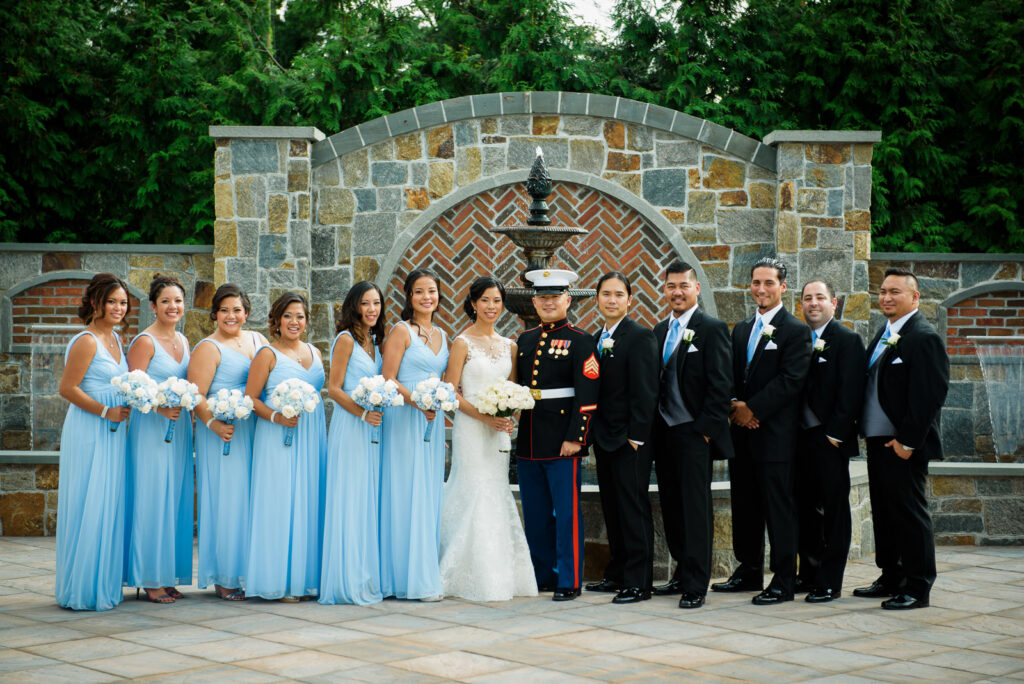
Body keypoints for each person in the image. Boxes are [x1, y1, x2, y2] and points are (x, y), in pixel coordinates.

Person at [716, 256, 811, 605]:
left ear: (783, 287)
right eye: (756, 282)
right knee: (745, 505)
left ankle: (783, 580)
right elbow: (729, 374)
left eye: (769, 283)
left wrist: (751, 409)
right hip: (742, 434)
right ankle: (748, 570)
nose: (761, 289)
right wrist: (733, 406)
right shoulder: (740, 329)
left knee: (778, 509)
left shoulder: (796, 330)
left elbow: (791, 381)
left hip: (775, 436)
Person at [439, 276, 538, 602]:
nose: (491, 307)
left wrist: (508, 418)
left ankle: (500, 575)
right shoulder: (461, 343)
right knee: (472, 489)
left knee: (495, 491)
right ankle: (461, 572)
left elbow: (511, 392)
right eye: (485, 301)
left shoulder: (510, 346)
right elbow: (450, 393)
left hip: (498, 434)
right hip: (470, 428)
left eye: (497, 301)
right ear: (473, 303)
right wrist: (484, 417)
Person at [854, 267, 948, 610]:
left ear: (915, 297)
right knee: (885, 513)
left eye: (895, 291)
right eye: (882, 291)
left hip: (903, 445)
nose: (887, 297)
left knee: (909, 514)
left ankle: (918, 586)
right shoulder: (885, 331)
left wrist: (907, 442)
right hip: (879, 442)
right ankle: (891, 576)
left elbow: (929, 394)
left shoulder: (924, 337)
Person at [649, 262, 734, 609]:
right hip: (664, 434)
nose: (677, 292)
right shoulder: (658, 331)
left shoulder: (711, 329)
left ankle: (697, 583)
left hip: (694, 434)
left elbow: (721, 385)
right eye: (671, 286)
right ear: (665, 290)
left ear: (696, 289)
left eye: (684, 285)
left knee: (695, 509)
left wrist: (705, 432)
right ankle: (682, 572)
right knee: (672, 506)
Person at [515, 268, 600, 601]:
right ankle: (542, 575)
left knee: (566, 515)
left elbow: (588, 393)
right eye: (542, 297)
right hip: (530, 440)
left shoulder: (581, 340)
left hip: (563, 440)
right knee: (536, 516)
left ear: (568, 299)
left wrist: (577, 437)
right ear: (534, 302)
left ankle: (569, 579)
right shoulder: (525, 340)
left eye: (555, 297)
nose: (548, 302)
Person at [55, 273, 132, 611]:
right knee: (89, 500)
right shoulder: (87, 340)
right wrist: (105, 411)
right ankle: (82, 587)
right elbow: (67, 389)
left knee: (108, 502)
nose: (118, 308)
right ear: (95, 303)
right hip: (90, 429)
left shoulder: (117, 338)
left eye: (123, 303)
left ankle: (102, 582)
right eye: (112, 301)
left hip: (114, 431)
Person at [245, 292, 327, 601]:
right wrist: (277, 417)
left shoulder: (315, 353)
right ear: (277, 320)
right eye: (289, 316)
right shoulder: (267, 354)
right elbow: (251, 399)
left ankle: (305, 580)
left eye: (300, 316)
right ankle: (276, 580)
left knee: (308, 499)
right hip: (277, 436)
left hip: (311, 435)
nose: (295, 322)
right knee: (280, 501)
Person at [189, 283, 267, 600]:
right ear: (214, 314)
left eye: (237, 310)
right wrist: (215, 424)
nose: (230, 316)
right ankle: (224, 577)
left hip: (252, 432)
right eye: (224, 310)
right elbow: (195, 394)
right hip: (222, 434)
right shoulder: (208, 347)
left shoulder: (258, 340)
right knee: (226, 500)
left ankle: (249, 569)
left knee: (250, 500)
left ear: (246, 313)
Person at [584, 271, 659, 604]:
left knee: (632, 510)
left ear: (630, 300)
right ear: (597, 298)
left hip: (630, 441)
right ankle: (616, 574)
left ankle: (639, 582)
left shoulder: (640, 337)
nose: (611, 300)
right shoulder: (594, 339)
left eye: (618, 294)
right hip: (604, 438)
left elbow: (646, 392)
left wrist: (636, 438)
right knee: (612, 508)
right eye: (605, 294)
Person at [380, 269, 450, 601]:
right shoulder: (400, 331)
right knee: (404, 491)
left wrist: (440, 400)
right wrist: (418, 401)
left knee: (427, 492)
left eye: (432, 291)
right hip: (404, 420)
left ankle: (422, 572)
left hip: (431, 424)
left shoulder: (443, 335)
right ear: (409, 296)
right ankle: (399, 577)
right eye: (420, 291)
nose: (427, 297)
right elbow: (388, 378)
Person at [795, 279, 866, 603]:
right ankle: (808, 573)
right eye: (807, 298)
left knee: (834, 511)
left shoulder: (848, 340)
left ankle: (830, 581)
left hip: (830, 439)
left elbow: (851, 392)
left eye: (819, 298)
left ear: (834, 303)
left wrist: (834, 436)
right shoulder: (796, 339)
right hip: (799, 439)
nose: (813, 303)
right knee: (805, 510)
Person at [125, 274, 194, 603]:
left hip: (179, 428)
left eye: (178, 301)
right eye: (166, 301)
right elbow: (132, 390)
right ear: (153, 306)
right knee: (152, 497)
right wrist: (158, 408)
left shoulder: (184, 342)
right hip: (151, 428)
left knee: (174, 498)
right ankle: (149, 578)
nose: (173, 306)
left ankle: (166, 574)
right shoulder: (145, 342)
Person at [320, 281, 387, 605]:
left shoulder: (375, 341)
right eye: (365, 303)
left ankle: (364, 574)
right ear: (354, 307)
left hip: (372, 429)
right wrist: (362, 413)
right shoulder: (345, 340)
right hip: (351, 427)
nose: (372, 309)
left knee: (366, 499)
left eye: (376, 303)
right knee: (350, 498)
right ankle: (345, 579)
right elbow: (333, 388)